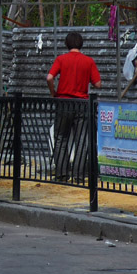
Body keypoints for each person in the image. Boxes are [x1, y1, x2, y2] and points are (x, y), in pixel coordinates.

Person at [46, 32, 102, 181]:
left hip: (63, 103)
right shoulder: (88, 61)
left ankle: (62, 174)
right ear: (81, 44)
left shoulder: (61, 59)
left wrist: (54, 93)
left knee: (60, 138)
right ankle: (78, 175)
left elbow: (49, 77)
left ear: (67, 44)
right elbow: (98, 84)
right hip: (82, 104)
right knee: (81, 140)